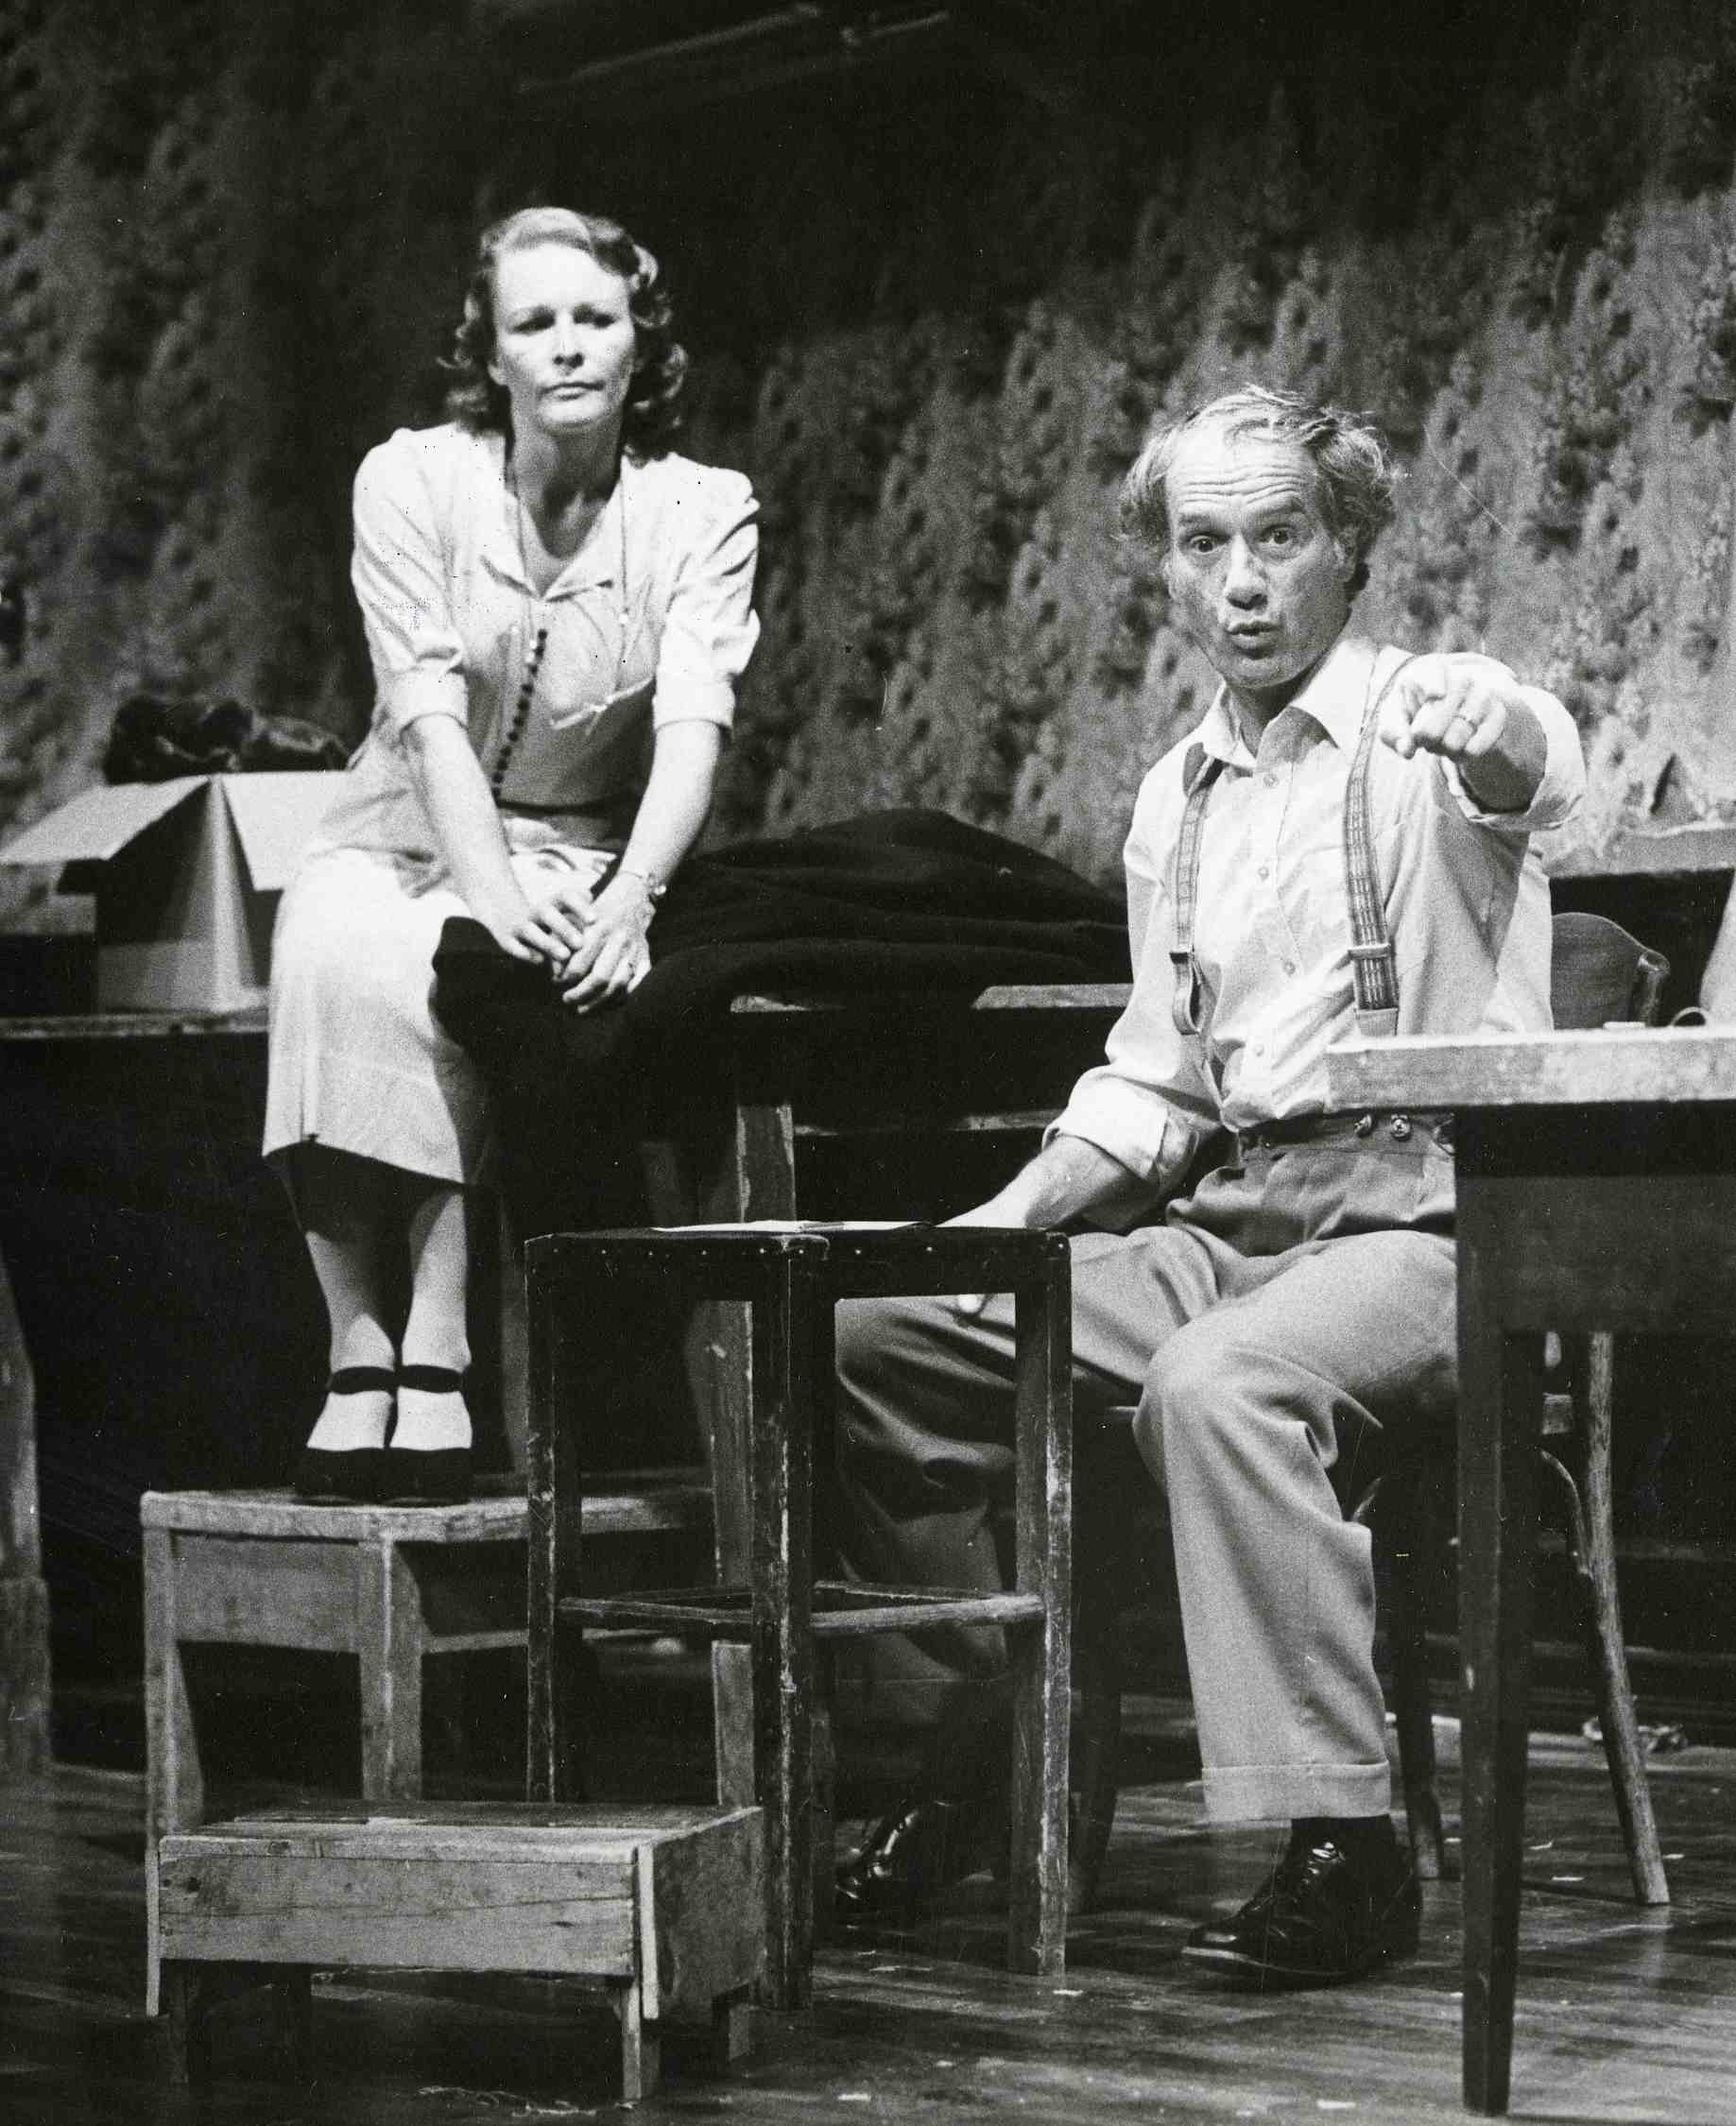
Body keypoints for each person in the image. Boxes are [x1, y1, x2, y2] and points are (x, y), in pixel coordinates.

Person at [832, 383, 1585, 1988]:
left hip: (1434, 1223)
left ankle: (1344, 1843)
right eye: (1201, 544)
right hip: (1233, 1214)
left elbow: (1535, 767)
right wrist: (986, 1231)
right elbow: (1157, 1086)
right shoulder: (1174, 794)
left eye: (1278, 535)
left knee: (1215, 1382)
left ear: (1348, 546)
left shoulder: (1424, 728)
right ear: (1167, 568)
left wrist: (1496, 720)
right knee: (888, 1334)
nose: (1240, 580)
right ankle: (977, 1752)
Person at [265, 206, 758, 1505]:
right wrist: (479, 890)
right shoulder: (412, 480)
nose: (569, 345)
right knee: (333, 948)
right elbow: (424, 712)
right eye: (534, 323)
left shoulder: (700, 508)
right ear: (490, 353)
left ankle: (439, 1339)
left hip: (574, 838)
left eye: (596, 317)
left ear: (639, 338)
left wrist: (633, 895)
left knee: (456, 984)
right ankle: (354, 1343)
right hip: (395, 820)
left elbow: (694, 728)